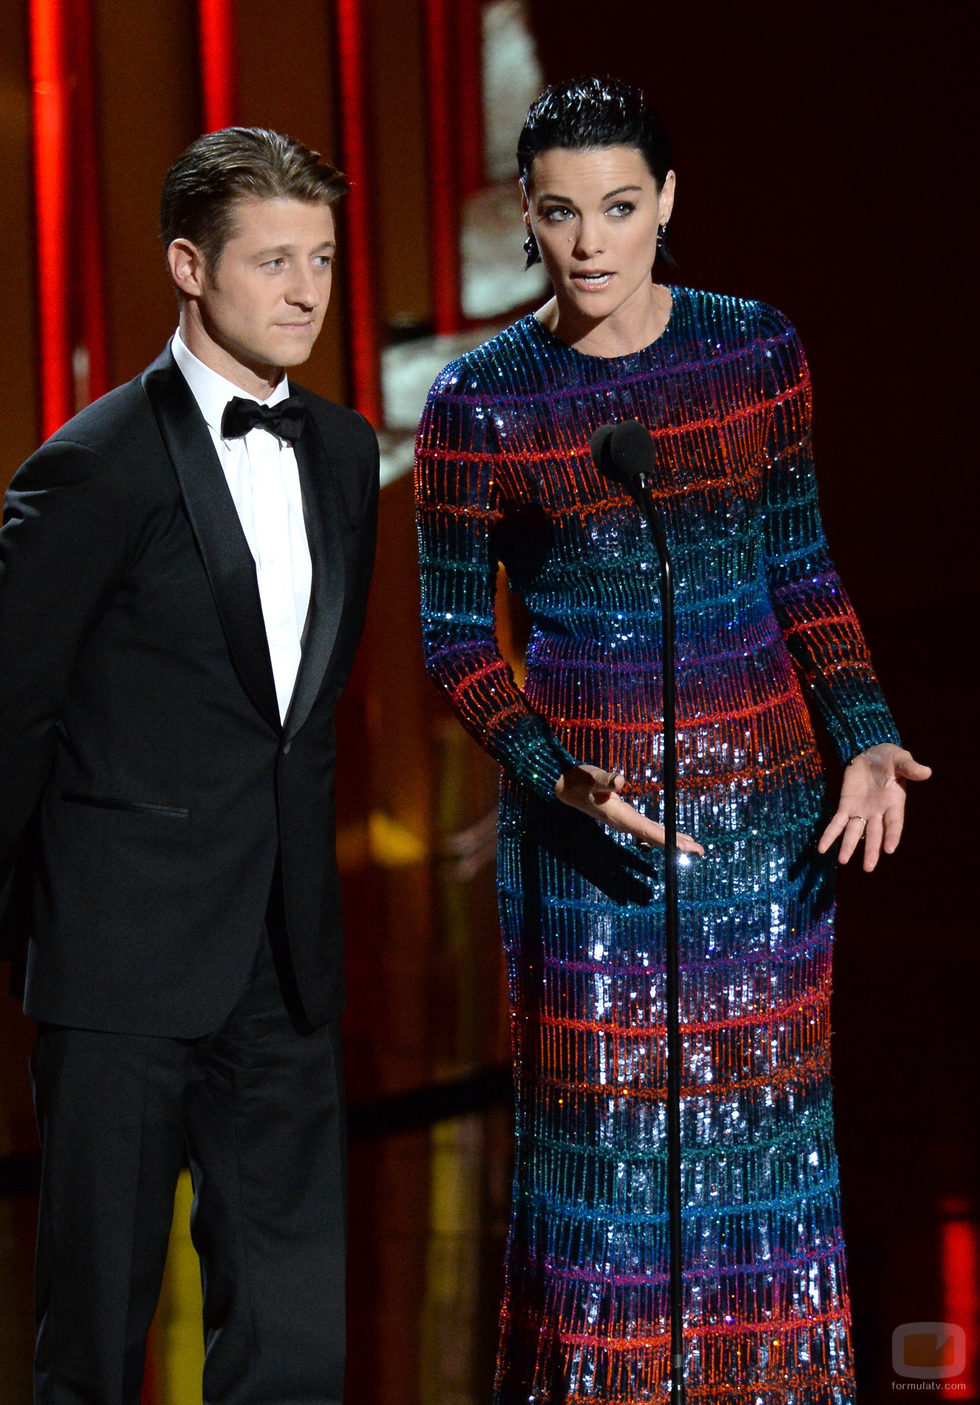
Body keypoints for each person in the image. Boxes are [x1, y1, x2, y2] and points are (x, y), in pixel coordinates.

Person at [415, 78, 929, 1404]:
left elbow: (802, 568)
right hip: (593, 859)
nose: (593, 240)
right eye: (564, 211)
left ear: (668, 205)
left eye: (621, 207)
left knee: (763, 1169)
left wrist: (866, 737)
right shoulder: (483, 400)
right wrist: (550, 769)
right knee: (612, 1196)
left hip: (766, 841)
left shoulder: (753, 352)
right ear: (528, 217)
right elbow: (455, 639)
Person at [0, 127, 378, 1404]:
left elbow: (298, 718)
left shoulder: (341, 454)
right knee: (96, 1340)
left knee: (294, 1342)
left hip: (283, 965)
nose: (305, 290)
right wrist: (34, 941)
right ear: (187, 265)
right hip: (119, 967)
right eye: (273, 260)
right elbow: (10, 718)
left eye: (320, 258)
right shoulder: (90, 469)